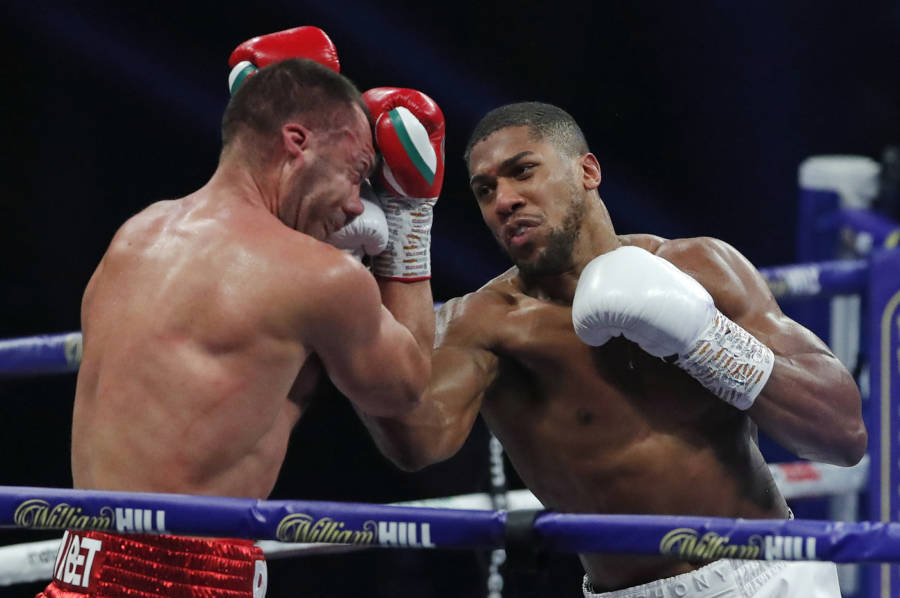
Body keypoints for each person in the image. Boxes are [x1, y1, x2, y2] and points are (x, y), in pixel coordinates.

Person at [357, 102, 866, 597]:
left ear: (588, 171)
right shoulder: (486, 324)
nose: (504, 200)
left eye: (523, 171)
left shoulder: (700, 267)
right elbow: (415, 442)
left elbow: (843, 435)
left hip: (772, 577)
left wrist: (706, 340)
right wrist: (383, 260)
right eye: (485, 190)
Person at [38, 26, 446, 598]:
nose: (359, 205)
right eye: (356, 173)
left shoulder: (135, 236)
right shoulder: (317, 276)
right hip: (187, 579)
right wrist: (410, 218)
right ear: (297, 142)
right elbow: (405, 391)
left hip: (80, 569)